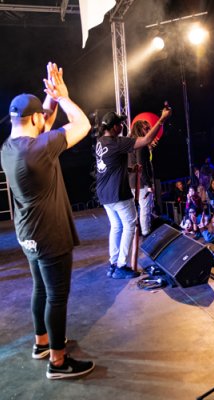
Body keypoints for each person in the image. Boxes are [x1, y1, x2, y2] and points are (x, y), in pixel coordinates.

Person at [0, 62, 94, 379]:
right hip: (51, 234)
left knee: (40, 289)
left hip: (27, 234)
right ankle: (58, 361)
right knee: (56, 296)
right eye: (43, 115)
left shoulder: (9, 148)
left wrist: (49, 98)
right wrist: (64, 97)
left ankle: (42, 343)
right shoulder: (39, 149)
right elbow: (81, 125)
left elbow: (44, 125)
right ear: (36, 119)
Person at [96, 106, 171, 279]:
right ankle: (122, 265)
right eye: (120, 123)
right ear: (114, 127)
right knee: (130, 224)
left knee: (116, 227)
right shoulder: (117, 142)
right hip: (118, 193)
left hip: (104, 194)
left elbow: (110, 166)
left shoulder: (101, 142)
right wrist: (161, 119)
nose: (122, 126)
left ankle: (113, 263)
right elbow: (145, 141)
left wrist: (130, 169)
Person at [128, 118, 158, 237]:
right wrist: (149, 185)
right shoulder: (141, 144)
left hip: (132, 182)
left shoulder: (130, 143)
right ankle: (146, 232)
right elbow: (142, 167)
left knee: (137, 210)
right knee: (145, 208)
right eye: (146, 129)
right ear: (140, 129)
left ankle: (138, 233)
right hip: (140, 183)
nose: (149, 131)